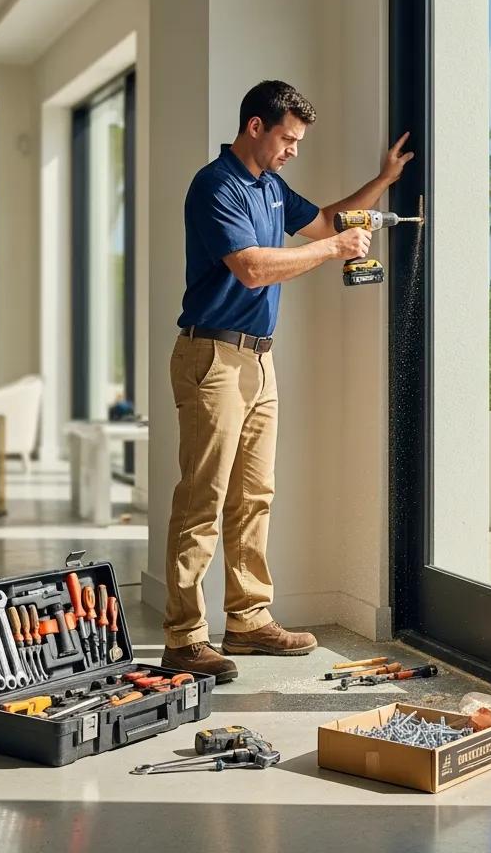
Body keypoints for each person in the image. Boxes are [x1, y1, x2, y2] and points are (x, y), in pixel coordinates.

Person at [161, 80, 414, 683]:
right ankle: (183, 636)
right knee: (204, 500)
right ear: (255, 127)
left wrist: (381, 182)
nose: (294, 149)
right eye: (288, 138)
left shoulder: (271, 187)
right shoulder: (215, 185)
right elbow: (251, 269)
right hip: (212, 359)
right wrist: (334, 252)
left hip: (260, 361)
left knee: (255, 496)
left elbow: (325, 221)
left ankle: (248, 620)